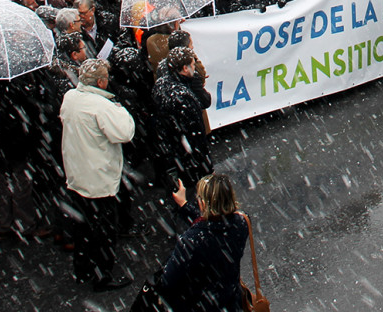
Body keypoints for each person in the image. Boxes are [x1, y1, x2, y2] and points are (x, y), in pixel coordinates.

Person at [60, 57, 135, 292]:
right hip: (98, 177)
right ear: (102, 82)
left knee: (82, 226)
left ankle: (82, 269)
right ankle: (103, 275)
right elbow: (124, 133)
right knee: (103, 230)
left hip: (76, 171)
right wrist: (120, 110)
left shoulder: (70, 97)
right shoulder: (102, 106)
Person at [146, 173, 249, 312]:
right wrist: (185, 205)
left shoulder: (192, 240)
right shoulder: (242, 223)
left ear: (203, 203)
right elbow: (215, 223)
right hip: (230, 302)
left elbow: (168, 281)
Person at [155, 46, 213, 187]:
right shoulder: (183, 96)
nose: (195, 68)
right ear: (185, 69)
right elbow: (196, 133)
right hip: (188, 156)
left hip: (174, 153)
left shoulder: (161, 84)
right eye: (193, 65)